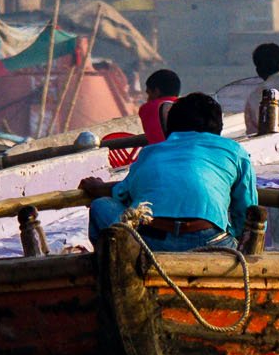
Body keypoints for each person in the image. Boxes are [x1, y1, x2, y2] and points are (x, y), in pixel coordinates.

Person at [83, 93, 257, 252]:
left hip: (150, 239)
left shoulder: (150, 152)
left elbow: (123, 193)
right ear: (218, 128)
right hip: (210, 241)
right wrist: (232, 235)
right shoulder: (235, 151)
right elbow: (246, 211)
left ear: (171, 126)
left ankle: (113, 268)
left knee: (101, 206)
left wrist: (99, 188)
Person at [138, 68, 182, 148]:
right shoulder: (189, 106)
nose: (148, 99)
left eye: (149, 94)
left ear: (157, 91)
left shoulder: (147, 109)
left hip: (161, 157)